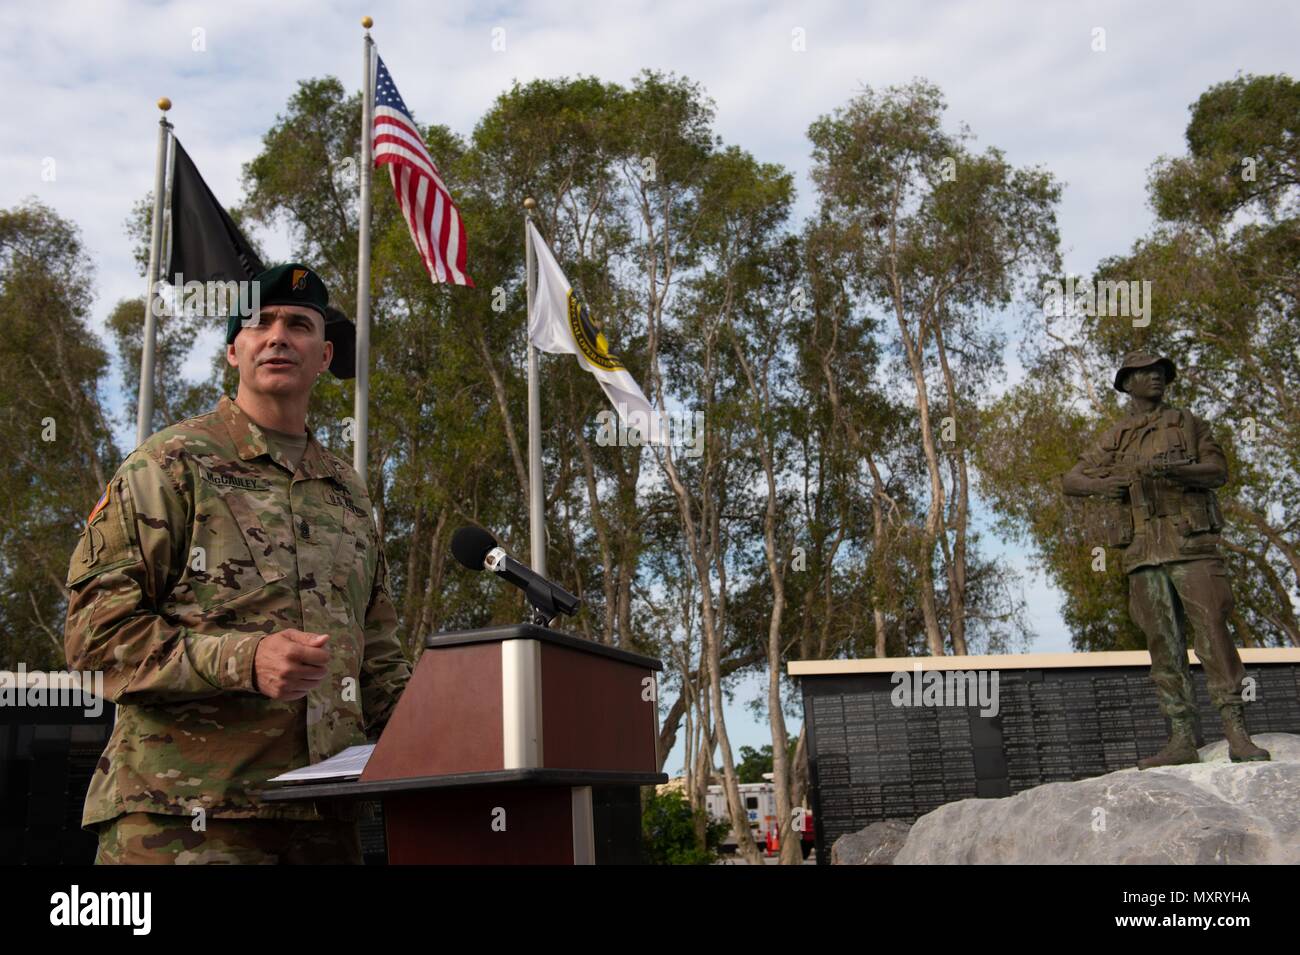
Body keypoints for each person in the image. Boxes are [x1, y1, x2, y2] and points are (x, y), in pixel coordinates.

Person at [64, 263, 411, 863]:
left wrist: (459, 728)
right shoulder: (170, 463)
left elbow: (376, 657)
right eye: (258, 323)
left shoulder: (346, 491)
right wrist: (244, 661)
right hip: (184, 823)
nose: (278, 336)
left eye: (298, 325)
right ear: (234, 350)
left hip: (326, 826)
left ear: (325, 355)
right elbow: (95, 638)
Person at [1062, 351, 1269, 768]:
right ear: (1127, 384)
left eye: (1160, 373)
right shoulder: (1116, 436)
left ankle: (1236, 732)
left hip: (1190, 544)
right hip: (1142, 551)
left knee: (1212, 631)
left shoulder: (1189, 424)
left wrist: (1179, 473)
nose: (1155, 378)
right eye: (1145, 373)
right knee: (1162, 644)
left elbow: (1217, 470)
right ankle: (1180, 738)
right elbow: (1072, 480)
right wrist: (1111, 483)